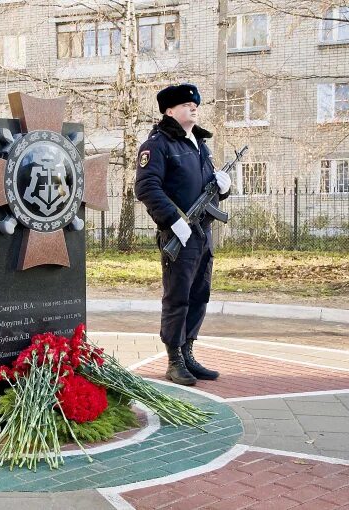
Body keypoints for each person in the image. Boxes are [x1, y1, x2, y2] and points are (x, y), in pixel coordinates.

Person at [134, 83, 232, 386]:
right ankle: (174, 359)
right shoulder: (158, 145)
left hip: (203, 233)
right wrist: (173, 220)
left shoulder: (200, 145)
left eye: (196, 105)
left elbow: (205, 188)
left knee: (199, 295)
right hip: (179, 234)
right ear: (169, 110)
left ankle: (188, 352)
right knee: (177, 297)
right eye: (186, 104)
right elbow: (147, 187)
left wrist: (224, 188)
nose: (194, 107)